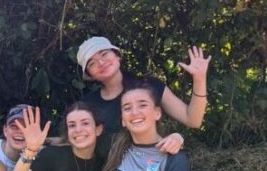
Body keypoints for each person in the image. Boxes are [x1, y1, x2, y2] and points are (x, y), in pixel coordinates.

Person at [76, 36, 209, 155]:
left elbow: (193, 120)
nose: (101, 63)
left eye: (104, 54)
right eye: (92, 63)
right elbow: (78, 142)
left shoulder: (150, 86)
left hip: (151, 166)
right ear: (90, 75)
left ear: (117, 56)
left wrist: (199, 78)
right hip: (110, 170)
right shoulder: (88, 104)